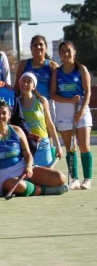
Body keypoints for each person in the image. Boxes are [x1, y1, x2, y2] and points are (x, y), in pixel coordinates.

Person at [0, 101, 67, 197]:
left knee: (59, 178)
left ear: (9, 116)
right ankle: (42, 190)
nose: (1, 116)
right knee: (20, 185)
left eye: (4, 113)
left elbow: (27, 153)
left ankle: (31, 186)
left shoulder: (17, 130)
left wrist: (29, 166)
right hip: (3, 175)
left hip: (22, 169)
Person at [52, 41, 92, 190]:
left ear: (74, 52)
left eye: (68, 51)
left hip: (81, 109)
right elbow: (53, 94)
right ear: (60, 55)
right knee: (70, 147)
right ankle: (74, 178)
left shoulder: (81, 69)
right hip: (63, 110)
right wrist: (69, 100)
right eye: (63, 51)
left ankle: (87, 179)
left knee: (84, 145)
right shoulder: (57, 72)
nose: (65, 54)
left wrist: (81, 111)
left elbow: (87, 92)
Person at [18, 72, 62, 169]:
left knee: (48, 179)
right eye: (23, 80)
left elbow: (49, 124)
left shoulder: (42, 101)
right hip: (27, 147)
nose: (25, 84)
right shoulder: (15, 102)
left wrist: (58, 146)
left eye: (29, 82)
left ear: (34, 86)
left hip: (43, 146)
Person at [14, 35, 59, 102]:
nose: (38, 47)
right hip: (26, 104)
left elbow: (60, 87)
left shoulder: (53, 66)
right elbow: (17, 87)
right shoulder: (23, 64)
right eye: (35, 45)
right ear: (31, 48)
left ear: (46, 47)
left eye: (41, 44)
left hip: (47, 104)